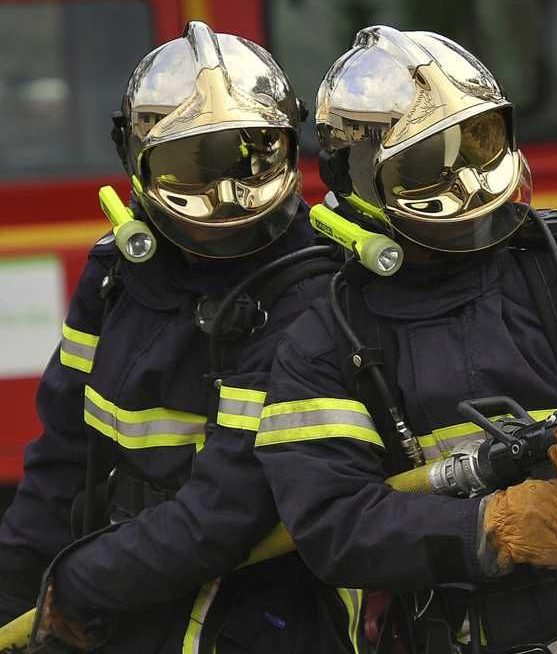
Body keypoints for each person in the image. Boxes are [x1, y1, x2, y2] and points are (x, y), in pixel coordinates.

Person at [255, 26, 557, 654]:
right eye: (427, 160)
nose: (461, 177)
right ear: (356, 179)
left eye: (476, 142)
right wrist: (487, 527)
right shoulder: (326, 343)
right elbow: (333, 526)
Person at [0, 22, 350, 653]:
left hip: (257, 608)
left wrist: (77, 581)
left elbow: (233, 506)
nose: (225, 196)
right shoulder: (115, 272)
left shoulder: (311, 293)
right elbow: (60, 457)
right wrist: (13, 591)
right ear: (133, 157)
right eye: (190, 163)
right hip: (123, 591)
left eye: (251, 154)